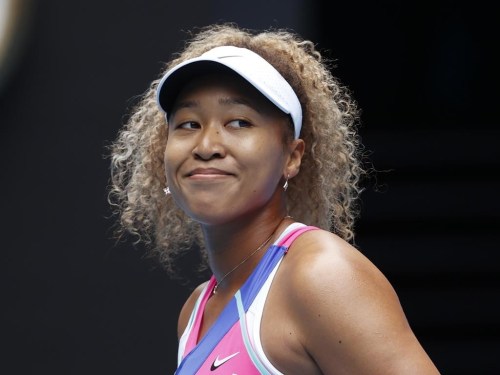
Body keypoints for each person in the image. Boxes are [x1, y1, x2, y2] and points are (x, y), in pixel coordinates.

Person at [109, 23, 440, 374]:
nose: (206, 147)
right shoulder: (195, 312)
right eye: (189, 124)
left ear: (292, 157)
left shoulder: (321, 275)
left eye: (238, 122)